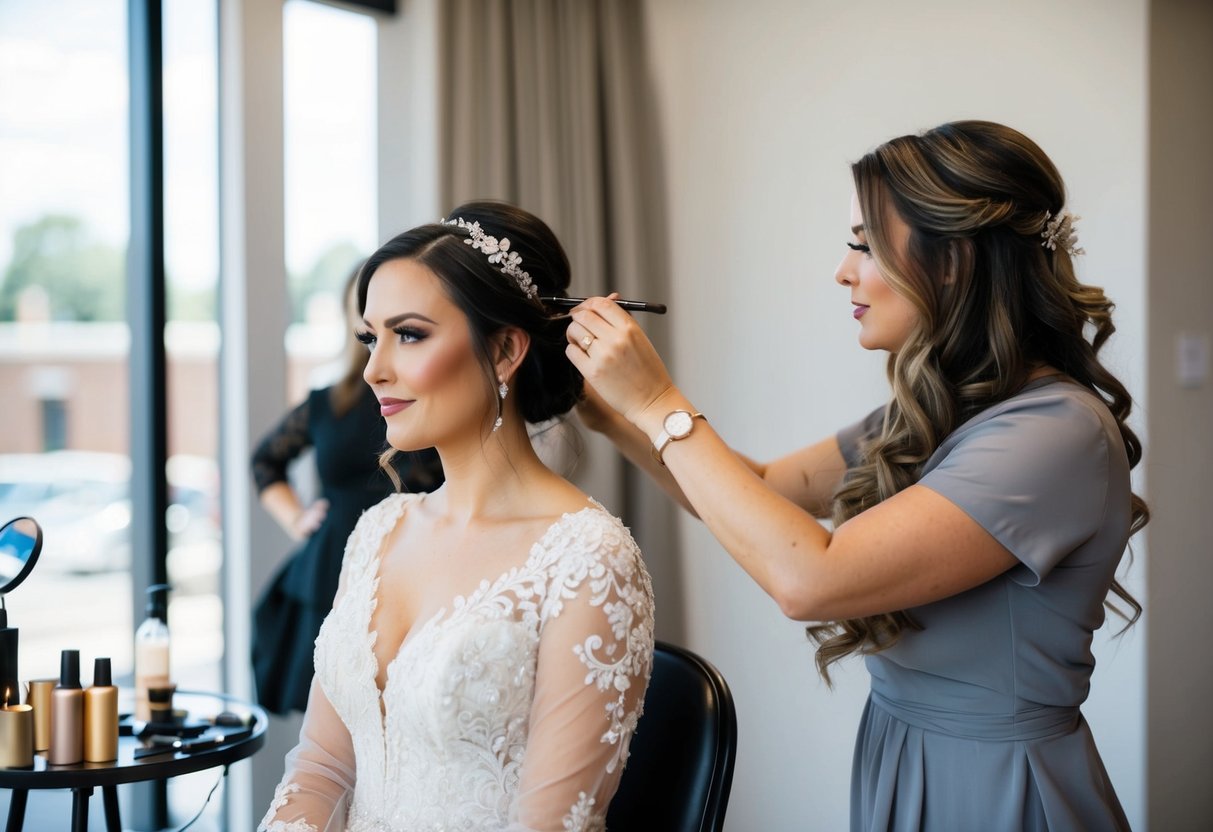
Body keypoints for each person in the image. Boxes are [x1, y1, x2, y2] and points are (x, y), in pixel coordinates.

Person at [565, 121, 1145, 831]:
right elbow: (761, 491)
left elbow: (810, 578)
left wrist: (659, 403)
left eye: (863, 246)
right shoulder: (938, 409)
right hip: (899, 755)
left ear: (954, 260)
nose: (843, 272)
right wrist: (611, 418)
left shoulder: (1054, 433)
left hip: (998, 787)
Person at [259, 201, 655, 832]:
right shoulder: (378, 532)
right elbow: (323, 767)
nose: (373, 369)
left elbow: (551, 825)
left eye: (409, 334)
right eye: (370, 337)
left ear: (503, 351)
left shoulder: (588, 559)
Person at [250, 269, 444, 716]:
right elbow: (265, 461)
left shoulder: (432, 398)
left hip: (415, 566)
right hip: (331, 568)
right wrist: (298, 519)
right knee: (331, 721)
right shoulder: (325, 403)